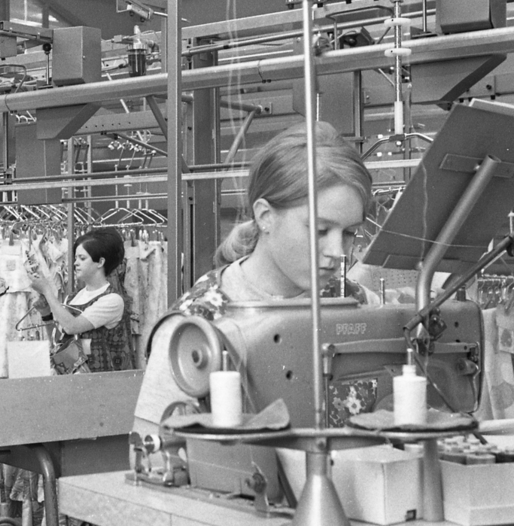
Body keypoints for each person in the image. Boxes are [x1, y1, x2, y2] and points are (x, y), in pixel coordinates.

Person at [133, 120, 374, 433]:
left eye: (350, 233)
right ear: (265, 216)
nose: (338, 252)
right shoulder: (195, 328)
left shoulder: (358, 305)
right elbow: (151, 449)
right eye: (320, 230)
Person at [29, 228, 135, 373]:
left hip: (106, 381)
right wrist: (46, 314)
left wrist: (47, 291)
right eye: (76, 258)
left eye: (82, 258)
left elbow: (72, 326)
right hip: (77, 381)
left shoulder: (112, 300)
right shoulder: (73, 298)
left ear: (100, 262)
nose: (75, 263)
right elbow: (61, 344)